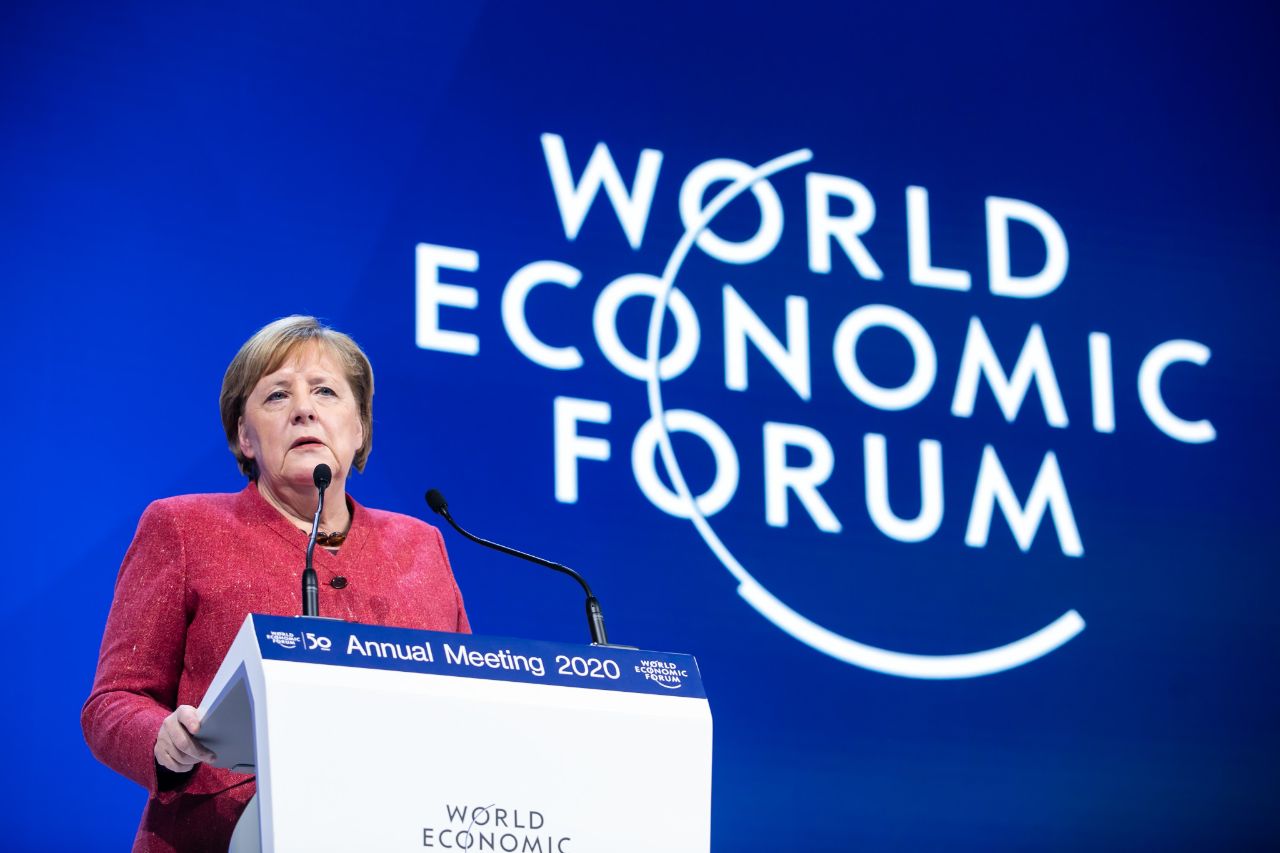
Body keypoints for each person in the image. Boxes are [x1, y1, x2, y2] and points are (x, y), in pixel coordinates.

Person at [82, 316, 470, 852]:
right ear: (245, 436)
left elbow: (465, 705)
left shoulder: (421, 545)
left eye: (326, 391)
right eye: (277, 395)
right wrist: (163, 740)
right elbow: (114, 701)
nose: (304, 409)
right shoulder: (184, 528)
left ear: (360, 428)